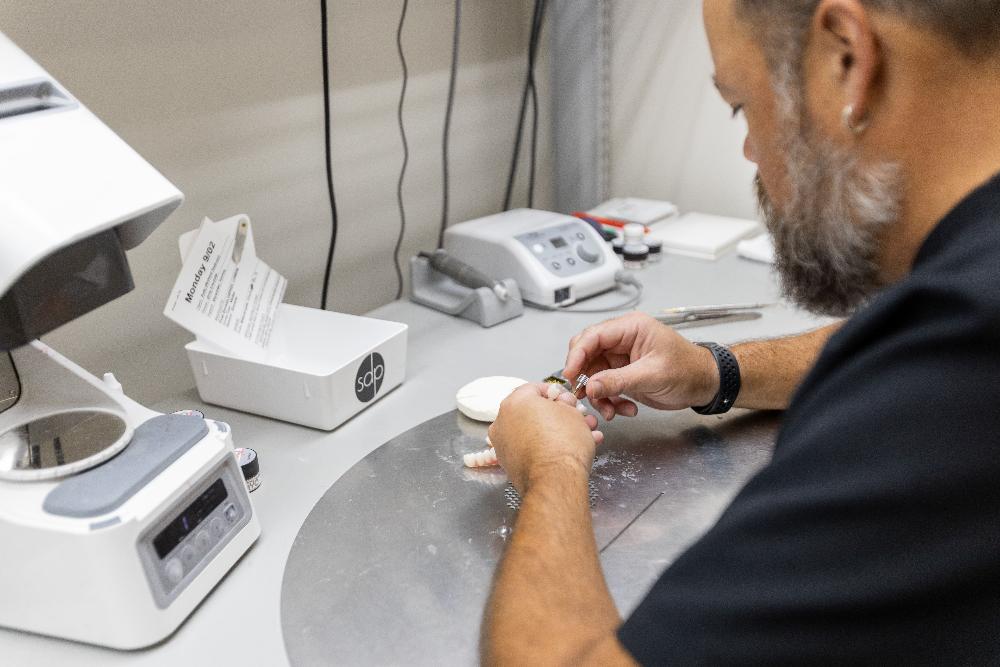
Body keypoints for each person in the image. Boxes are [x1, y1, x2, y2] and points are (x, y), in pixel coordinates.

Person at [482, 0, 1000, 664]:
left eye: (740, 105)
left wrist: (551, 467)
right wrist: (712, 370)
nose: (751, 151)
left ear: (848, 58)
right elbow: (906, 341)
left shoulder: (955, 374)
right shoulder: (965, 304)